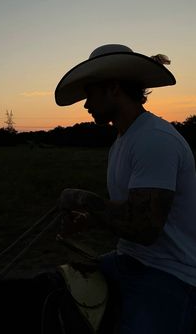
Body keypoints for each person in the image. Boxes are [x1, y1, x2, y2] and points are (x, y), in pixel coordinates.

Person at [55, 44, 196, 333]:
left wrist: (84, 199)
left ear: (113, 88)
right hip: (127, 260)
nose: (85, 104)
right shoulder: (123, 139)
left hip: (170, 272)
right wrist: (91, 220)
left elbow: (144, 227)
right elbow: (130, 211)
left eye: (90, 93)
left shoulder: (154, 139)